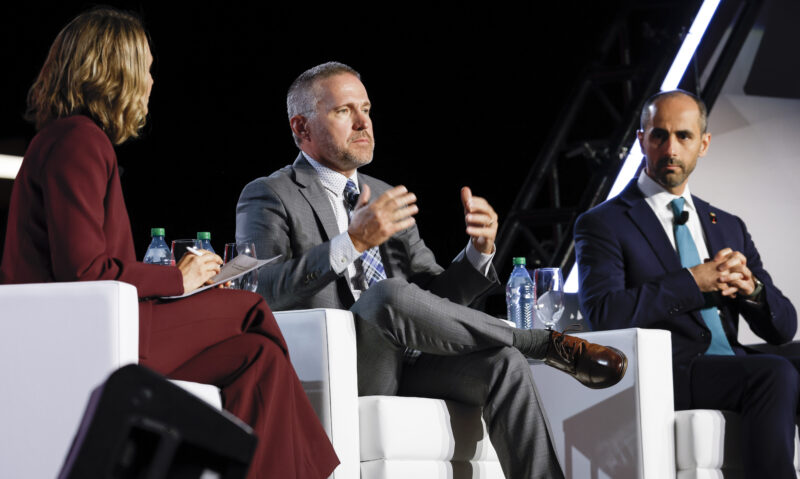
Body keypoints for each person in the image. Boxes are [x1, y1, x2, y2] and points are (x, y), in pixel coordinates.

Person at [236, 61, 627, 479]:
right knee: (386, 294)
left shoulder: (385, 194)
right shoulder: (270, 194)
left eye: (366, 108)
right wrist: (352, 243)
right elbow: (261, 290)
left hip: (411, 359)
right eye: (343, 111)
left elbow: (434, 300)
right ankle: (541, 342)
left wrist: (478, 252)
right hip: (340, 364)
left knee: (504, 362)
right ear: (301, 128)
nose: (363, 121)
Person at [0, 8, 338, 479]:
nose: (152, 82)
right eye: (147, 70)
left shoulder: (63, 140)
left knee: (258, 360)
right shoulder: (80, 140)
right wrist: (178, 278)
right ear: (115, 71)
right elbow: (83, 269)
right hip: (91, 333)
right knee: (249, 310)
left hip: (99, 320)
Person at [575, 89, 798, 477]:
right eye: (659, 135)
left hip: (732, 364)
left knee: (786, 362)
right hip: (670, 371)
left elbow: (783, 328)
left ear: (704, 144)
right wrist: (693, 281)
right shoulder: (603, 223)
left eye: (684, 136)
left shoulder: (727, 224)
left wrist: (753, 291)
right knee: (774, 374)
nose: (670, 148)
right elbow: (603, 315)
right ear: (641, 139)